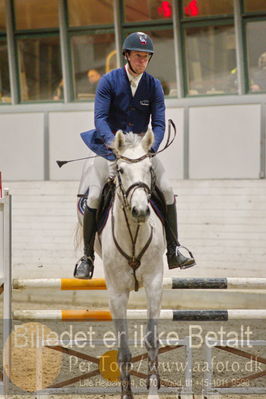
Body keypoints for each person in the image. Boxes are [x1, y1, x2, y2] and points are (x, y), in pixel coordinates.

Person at [74, 32, 196, 279]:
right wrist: (113, 144)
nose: (142, 61)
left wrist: (152, 146)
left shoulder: (153, 86)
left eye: (146, 57)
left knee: (167, 188)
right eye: (138, 56)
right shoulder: (108, 81)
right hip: (110, 149)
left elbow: (159, 122)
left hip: (140, 151)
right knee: (95, 194)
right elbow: (100, 118)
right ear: (127, 55)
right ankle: (86, 256)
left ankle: (174, 249)